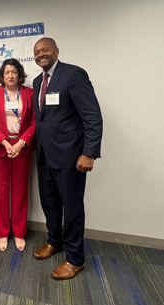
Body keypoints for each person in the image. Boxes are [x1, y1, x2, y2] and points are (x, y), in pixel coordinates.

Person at [33, 38, 103, 279]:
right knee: (50, 204)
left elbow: (92, 116)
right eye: (37, 52)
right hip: (44, 156)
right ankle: (55, 241)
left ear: (56, 52)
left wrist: (89, 152)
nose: (41, 54)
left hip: (71, 157)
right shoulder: (36, 82)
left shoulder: (73, 75)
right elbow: (42, 119)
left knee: (72, 208)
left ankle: (75, 259)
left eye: (45, 50)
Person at [0, 58, 36, 252]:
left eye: (14, 72)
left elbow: (34, 122)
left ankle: (20, 231)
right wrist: (5, 143)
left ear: (19, 74)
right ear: (2, 75)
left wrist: (21, 143)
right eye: (7, 72)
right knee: (1, 191)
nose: (10, 75)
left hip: (22, 147)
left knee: (21, 189)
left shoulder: (29, 93)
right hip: (0, 147)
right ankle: (3, 232)